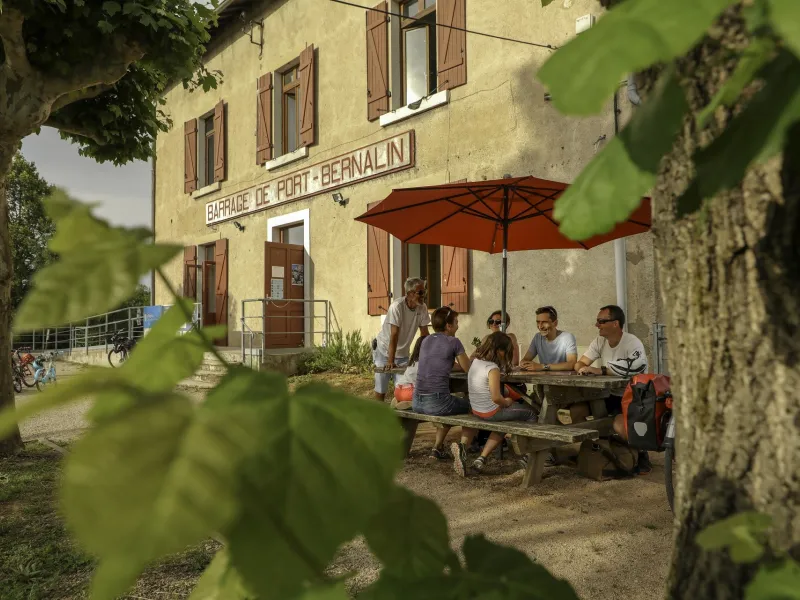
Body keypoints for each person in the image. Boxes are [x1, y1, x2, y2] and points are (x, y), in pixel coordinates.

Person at [575, 305, 651, 474]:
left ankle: (641, 454)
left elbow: (635, 367)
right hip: (605, 394)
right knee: (576, 413)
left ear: (615, 323)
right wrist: (581, 368)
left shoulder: (632, 342)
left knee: (619, 425)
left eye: (601, 321)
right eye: (597, 321)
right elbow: (580, 363)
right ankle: (600, 451)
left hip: (632, 396)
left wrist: (600, 370)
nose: (597, 325)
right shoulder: (599, 341)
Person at [451, 332, 536, 476]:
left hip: (477, 410)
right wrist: (507, 402)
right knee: (531, 412)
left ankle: (481, 459)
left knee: (505, 423)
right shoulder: (492, 368)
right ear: (500, 351)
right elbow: (497, 398)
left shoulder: (475, 363)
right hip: (492, 412)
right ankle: (529, 454)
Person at [413, 306, 472, 459]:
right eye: (456, 322)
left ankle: (437, 448)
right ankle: (464, 448)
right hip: (437, 402)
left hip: (417, 401)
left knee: (448, 404)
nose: (458, 326)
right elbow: (468, 369)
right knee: (475, 407)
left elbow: (444, 363)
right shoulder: (454, 341)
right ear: (448, 326)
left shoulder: (426, 341)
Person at [372, 278, 431, 402]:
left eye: (424, 292)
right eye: (420, 292)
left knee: (403, 391)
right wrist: (390, 360)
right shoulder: (396, 306)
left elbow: (425, 334)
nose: (423, 295)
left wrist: (428, 358)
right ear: (410, 294)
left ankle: (398, 420)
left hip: (403, 354)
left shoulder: (422, 308)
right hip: (384, 351)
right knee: (381, 390)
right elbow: (394, 335)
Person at [520, 306, 578, 371]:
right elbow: (526, 359)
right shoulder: (537, 337)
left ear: (555, 323)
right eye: (538, 322)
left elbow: (572, 364)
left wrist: (542, 367)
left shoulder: (567, 337)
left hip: (563, 379)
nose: (540, 326)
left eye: (544, 322)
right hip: (543, 379)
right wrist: (524, 363)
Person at [392, 336, 425, 410]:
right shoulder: (425, 363)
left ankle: (398, 400)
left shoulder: (412, 362)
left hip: (398, 389)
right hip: (410, 391)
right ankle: (409, 403)